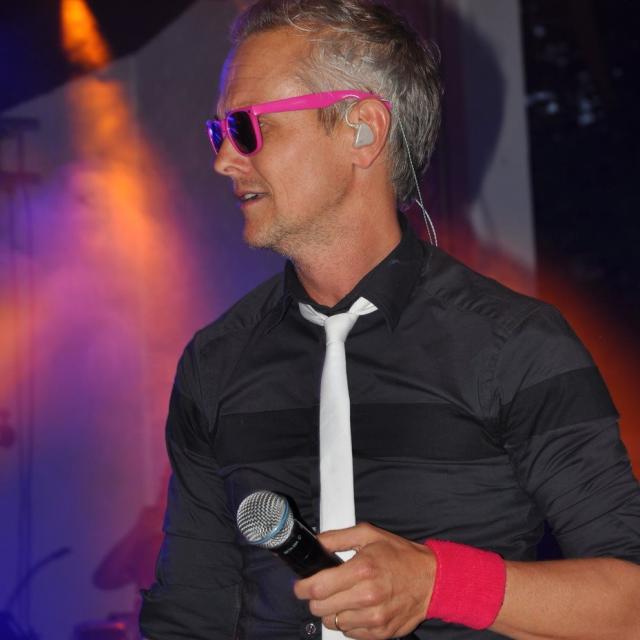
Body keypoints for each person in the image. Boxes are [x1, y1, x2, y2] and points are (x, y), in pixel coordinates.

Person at [139, 1, 640, 638]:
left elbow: (631, 603)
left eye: (247, 127)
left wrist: (438, 583)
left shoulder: (515, 345)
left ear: (363, 130)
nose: (224, 160)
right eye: (219, 133)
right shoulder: (217, 362)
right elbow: (189, 615)